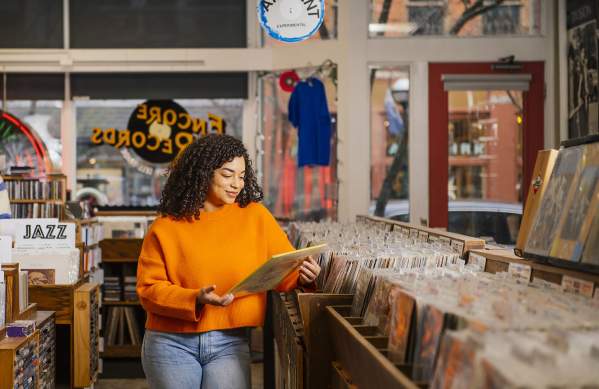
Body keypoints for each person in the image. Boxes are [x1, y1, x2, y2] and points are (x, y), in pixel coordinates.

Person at [137, 134, 321, 389]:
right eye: (227, 174)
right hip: (170, 343)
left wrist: (305, 275)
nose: (236, 183)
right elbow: (148, 291)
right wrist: (195, 298)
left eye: (242, 176)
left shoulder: (256, 217)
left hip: (229, 341)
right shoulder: (165, 226)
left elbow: (284, 271)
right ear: (203, 173)